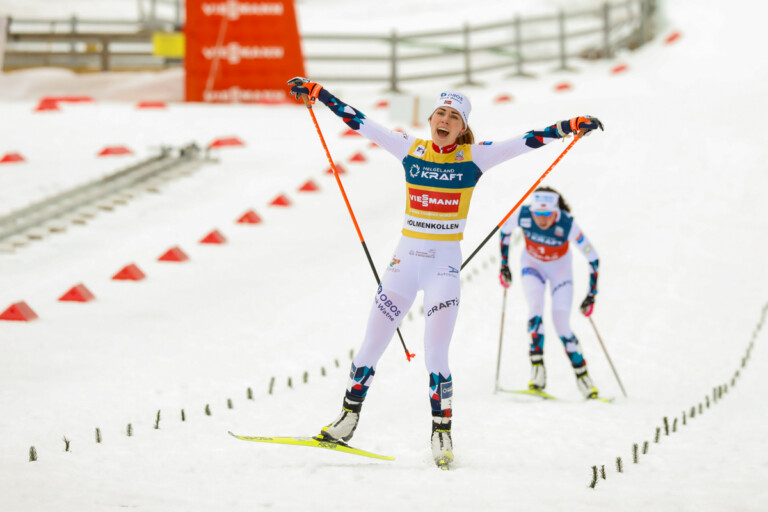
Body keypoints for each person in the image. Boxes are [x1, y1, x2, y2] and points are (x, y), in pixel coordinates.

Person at [288, 77, 603, 468]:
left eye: (454, 116)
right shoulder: (409, 147)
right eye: (441, 112)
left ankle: (441, 434)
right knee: (371, 344)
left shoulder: (474, 157)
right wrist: (318, 94)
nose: (445, 119)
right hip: (403, 266)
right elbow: (360, 122)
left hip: (442, 270)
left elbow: (527, 140)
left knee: (436, 356)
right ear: (431, 118)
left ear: (463, 127)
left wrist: (569, 126)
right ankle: (347, 419)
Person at [498, 186, 601, 399]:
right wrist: (504, 265)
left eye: (547, 214)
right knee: (535, 309)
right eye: (538, 214)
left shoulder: (567, 223)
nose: (542, 219)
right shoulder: (523, 214)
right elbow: (504, 231)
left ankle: (584, 380)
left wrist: (591, 294)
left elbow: (593, 258)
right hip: (532, 266)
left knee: (561, 323)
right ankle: (538, 375)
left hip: (560, 273)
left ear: (555, 211)